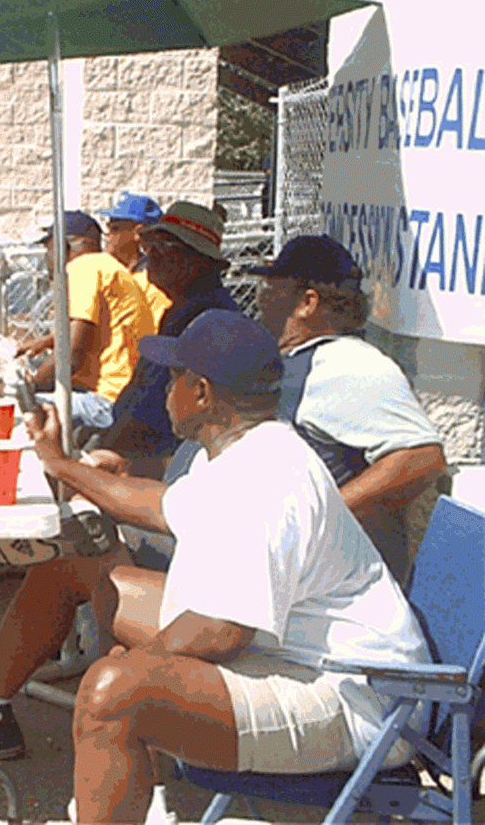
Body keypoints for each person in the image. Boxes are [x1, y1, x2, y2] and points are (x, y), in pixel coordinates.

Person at [31, 310, 429, 824]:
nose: (165, 388)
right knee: (108, 602)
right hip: (301, 659)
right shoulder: (241, 448)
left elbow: (223, 631)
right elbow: (157, 504)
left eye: (173, 376)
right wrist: (65, 467)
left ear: (200, 393)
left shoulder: (264, 478)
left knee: (115, 692)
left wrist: (139, 665)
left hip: (357, 701)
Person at [0, 201, 233, 759]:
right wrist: (97, 467)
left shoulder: (248, 436)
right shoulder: (230, 426)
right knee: (68, 556)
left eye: (157, 250)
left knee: (79, 555)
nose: (147, 260)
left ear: (201, 393)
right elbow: (169, 480)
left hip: (240, 634)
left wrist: (68, 466)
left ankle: (92, 702)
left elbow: (156, 456)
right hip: (175, 505)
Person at [252, 234, 447, 582]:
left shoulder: (347, 362)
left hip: (330, 584)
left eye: (271, 285)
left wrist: (320, 514)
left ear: (307, 303)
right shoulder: (300, 358)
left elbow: (421, 458)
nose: (261, 296)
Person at [93, 200, 239, 478]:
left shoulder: (207, 319)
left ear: (195, 260)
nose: (152, 258)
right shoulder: (180, 308)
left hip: (164, 464)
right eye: (150, 247)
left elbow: (153, 412)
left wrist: (108, 457)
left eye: (163, 249)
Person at [19, 212, 155, 433]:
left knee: (16, 409)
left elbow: (71, 355)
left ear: (65, 246)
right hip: (124, 396)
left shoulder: (84, 268)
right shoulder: (107, 267)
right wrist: (49, 342)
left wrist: (30, 385)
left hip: (106, 402)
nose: (47, 256)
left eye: (49, 248)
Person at [97, 192, 171, 327]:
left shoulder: (154, 280)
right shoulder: (107, 272)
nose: (107, 234)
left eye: (115, 228)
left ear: (138, 233)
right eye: (107, 227)